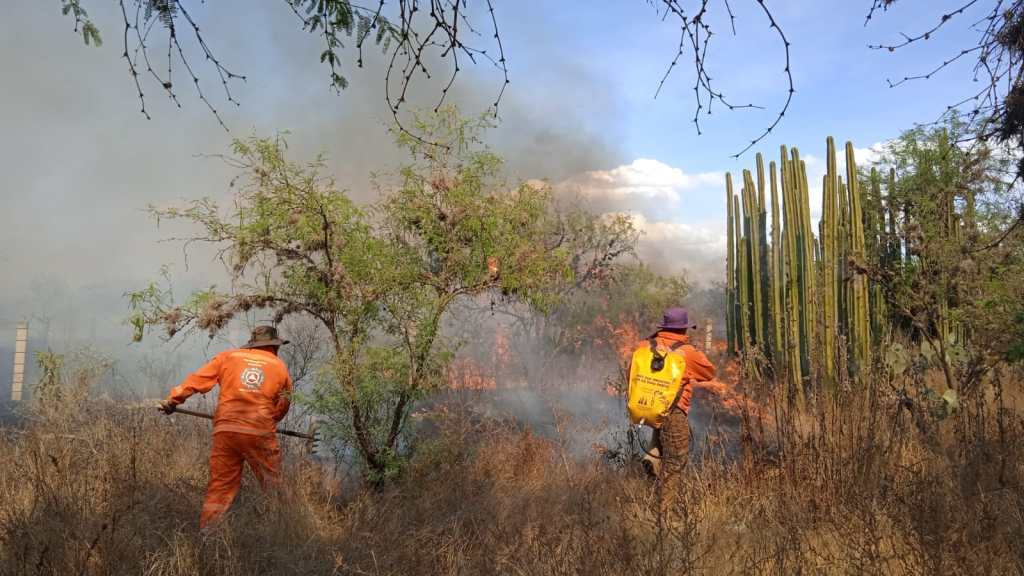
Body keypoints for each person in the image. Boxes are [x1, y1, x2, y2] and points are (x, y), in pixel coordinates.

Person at [159, 325, 293, 528]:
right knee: (272, 483)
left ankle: (209, 533)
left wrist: (173, 400)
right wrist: (269, 422)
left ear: (252, 344)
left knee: (220, 488)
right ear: (274, 345)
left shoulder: (228, 357)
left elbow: (197, 380)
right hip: (260, 431)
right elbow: (283, 404)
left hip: (225, 431)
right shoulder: (279, 366)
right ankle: (286, 529)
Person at [639, 308, 716, 515]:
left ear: (663, 326)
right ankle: (663, 513)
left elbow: (632, 375)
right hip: (674, 411)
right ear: (683, 328)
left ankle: (651, 458)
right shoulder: (686, 351)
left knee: (659, 441)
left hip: (648, 407)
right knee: (675, 460)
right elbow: (709, 372)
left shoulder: (645, 345)